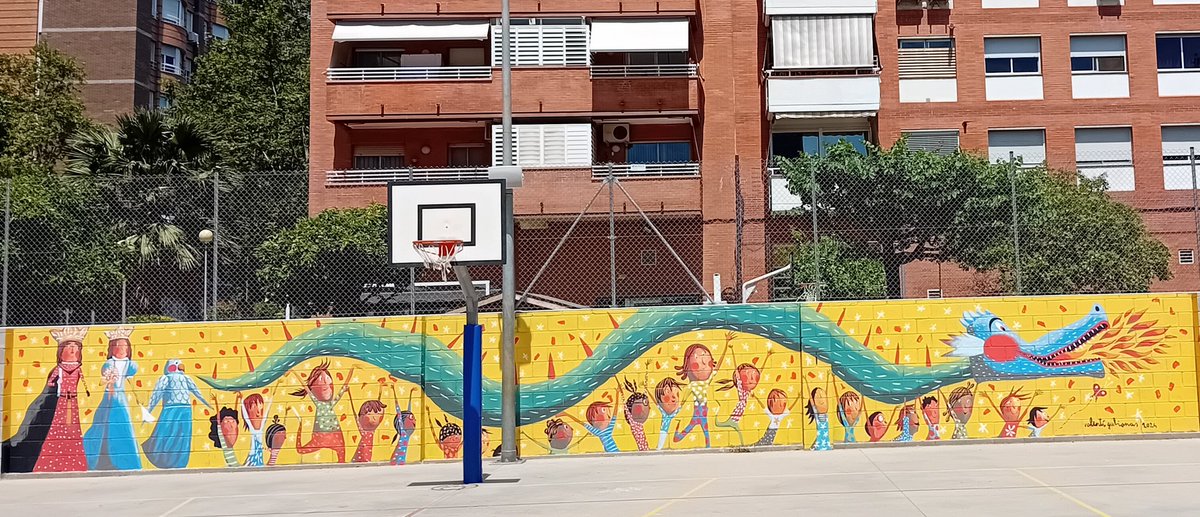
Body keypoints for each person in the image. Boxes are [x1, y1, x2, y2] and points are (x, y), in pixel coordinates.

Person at [31, 327, 91, 472]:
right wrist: (51, 383)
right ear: (61, 351)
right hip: (62, 401)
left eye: (75, 347)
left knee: (73, 428)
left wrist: (87, 390)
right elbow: (51, 379)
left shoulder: (78, 368)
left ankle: (75, 460)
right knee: (58, 426)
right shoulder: (59, 368)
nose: (72, 350)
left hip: (73, 401)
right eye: (69, 347)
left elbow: (83, 381)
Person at [83, 327, 142, 471]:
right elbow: (106, 377)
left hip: (121, 397)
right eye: (117, 346)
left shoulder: (129, 364)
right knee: (104, 423)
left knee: (123, 425)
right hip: (110, 396)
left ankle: (125, 460)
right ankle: (101, 457)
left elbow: (133, 370)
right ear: (111, 348)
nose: (121, 349)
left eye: (124, 346)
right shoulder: (109, 364)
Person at [142, 359, 211, 469]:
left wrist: (207, 403)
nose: (180, 367)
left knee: (183, 436)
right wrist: (149, 410)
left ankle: (179, 462)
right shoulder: (166, 378)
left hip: (185, 410)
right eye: (177, 365)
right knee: (167, 433)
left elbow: (197, 392)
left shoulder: (186, 378)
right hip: (171, 409)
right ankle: (162, 458)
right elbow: (156, 395)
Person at [672, 336, 731, 448]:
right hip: (699, 413)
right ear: (688, 366)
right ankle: (681, 438)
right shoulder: (691, 386)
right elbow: (682, 402)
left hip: (703, 413)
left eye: (708, 363)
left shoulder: (706, 382)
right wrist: (676, 411)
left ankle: (680, 438)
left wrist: (726, 344)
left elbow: (718, 367)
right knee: (701, 430)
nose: (704, 368)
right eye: (697, 365)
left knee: (701, 430)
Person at [291, 361, 355, 463]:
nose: (325, 383)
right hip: (321, 436)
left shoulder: (331, 403)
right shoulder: (318, 403)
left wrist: (352, 369)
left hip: (334, 435)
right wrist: (294, 372)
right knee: (300, 450)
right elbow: (306, 387)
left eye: (328, 379)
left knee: (342, 458)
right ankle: (300, 426)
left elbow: (344, 386)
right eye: (321, 379)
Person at [714, 338, 769, 447]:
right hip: (735, 416)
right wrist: (732, 351)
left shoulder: (748, 390)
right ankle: (742, 444)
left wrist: (767, 356)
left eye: (753, 378)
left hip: (738, 415)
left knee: (736, 429)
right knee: (737, 430)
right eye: (748, 377)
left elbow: (759, 373)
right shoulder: (742, 389)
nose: (752, 380)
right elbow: (737, 373)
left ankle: (742, 443)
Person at [241, 391, 274, 467]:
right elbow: (246, 416)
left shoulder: (261, 426)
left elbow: (266, 413)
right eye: (255, 408)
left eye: (260, 410)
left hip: (259, 454)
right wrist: (241, 400)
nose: (259, 413)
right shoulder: (252, 428)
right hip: (253, 454)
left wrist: (272, 397)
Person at [350, 397, 387, 463]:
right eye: (369, 414)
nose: (374, 418)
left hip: (368, 453)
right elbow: (356, 418)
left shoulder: (373, 430)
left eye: (379, 415)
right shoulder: (364, 431)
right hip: (361, 455)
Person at [621, 377, 653, 451]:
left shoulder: (638, 423)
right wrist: (620, 393)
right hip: (642, 449)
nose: (649, 408)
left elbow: (645, 393)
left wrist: (646, 383)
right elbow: (626, 407)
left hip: (645, 448)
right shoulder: (633, 422)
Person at [653, 377, 685, 450]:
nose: (674, 397)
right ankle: (659, 448)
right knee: (660, 443)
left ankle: (659, 448)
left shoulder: (673, 414)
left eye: (677, 394)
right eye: (667, 392)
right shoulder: (664, 413)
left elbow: (681, 405)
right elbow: (655, 402)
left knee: (661, 444)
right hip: (663, 431)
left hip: (665, 431)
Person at [804, 377, 832, 451]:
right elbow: (811, 398)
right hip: (820, 435)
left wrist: (828, 379)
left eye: (822, 396)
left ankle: (817, 446)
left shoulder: (826, 410)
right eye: (818, 396)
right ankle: (815, 446)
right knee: (820, 439)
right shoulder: (816, 412)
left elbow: (827, 393)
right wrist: (806, 381)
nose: (821, 398)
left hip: (826, 436)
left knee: (824, 439)